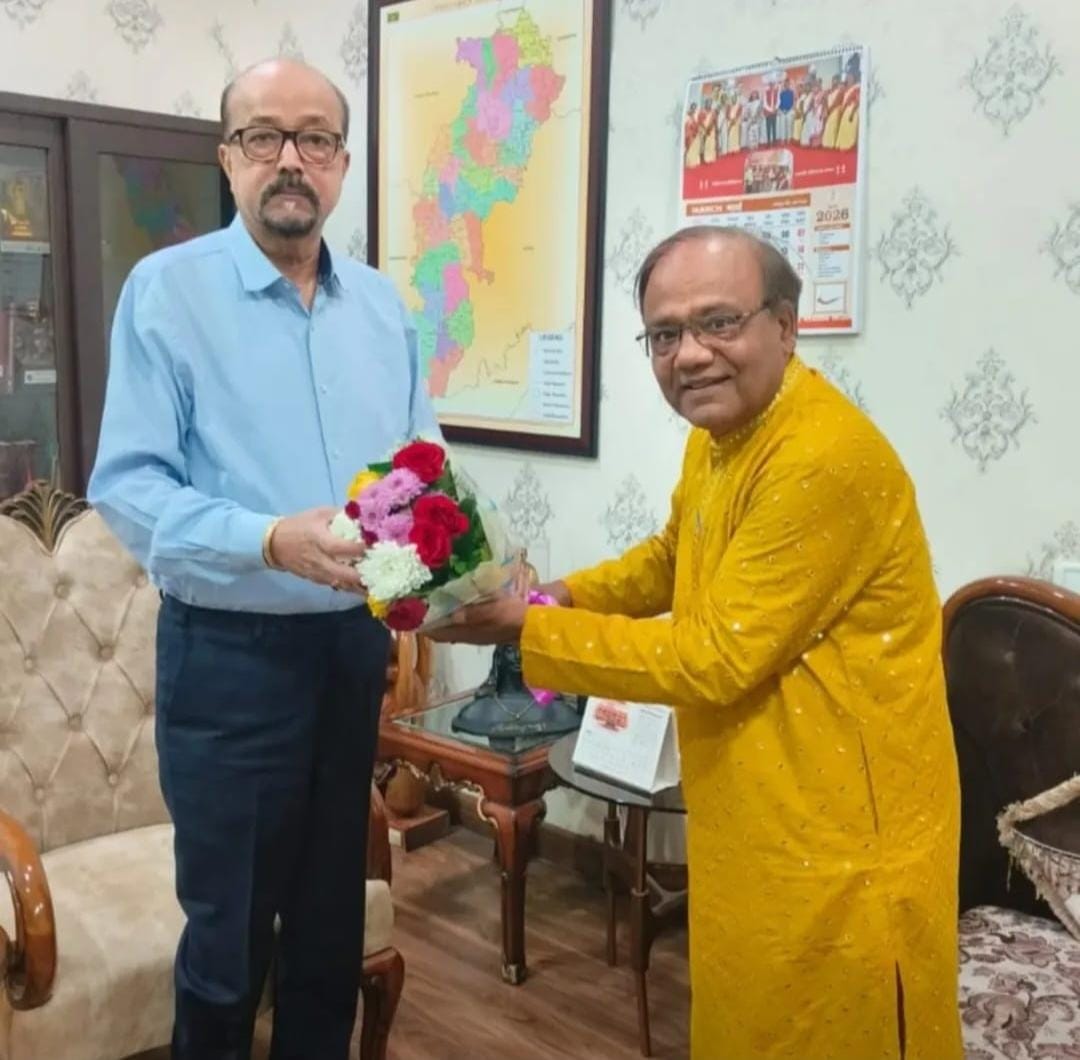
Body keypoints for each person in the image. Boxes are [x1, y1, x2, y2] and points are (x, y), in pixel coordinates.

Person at [428, 226, 964, 1059]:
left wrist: (527, 626)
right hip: (756, 805)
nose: (691, 355)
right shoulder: (723, 439)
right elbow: (675, 556)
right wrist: (557, 594)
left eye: (719, 322)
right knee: (748, 1024)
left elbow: (711, 657)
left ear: (785, 325)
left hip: (843, 837)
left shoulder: (819, 457)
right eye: (665, 334)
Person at [88, 57, 438, 1060]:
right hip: (229, 662)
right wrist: (268, 540)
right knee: (228, 949)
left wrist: (444, 562)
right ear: (227, 157)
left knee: (329, 932)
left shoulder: (384, 309)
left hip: (351, 653)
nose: (292, 159)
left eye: (316, 138)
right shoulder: (167, 293)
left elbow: (419, 465)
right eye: (264, 136)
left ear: (342, 163)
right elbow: (129, 484)